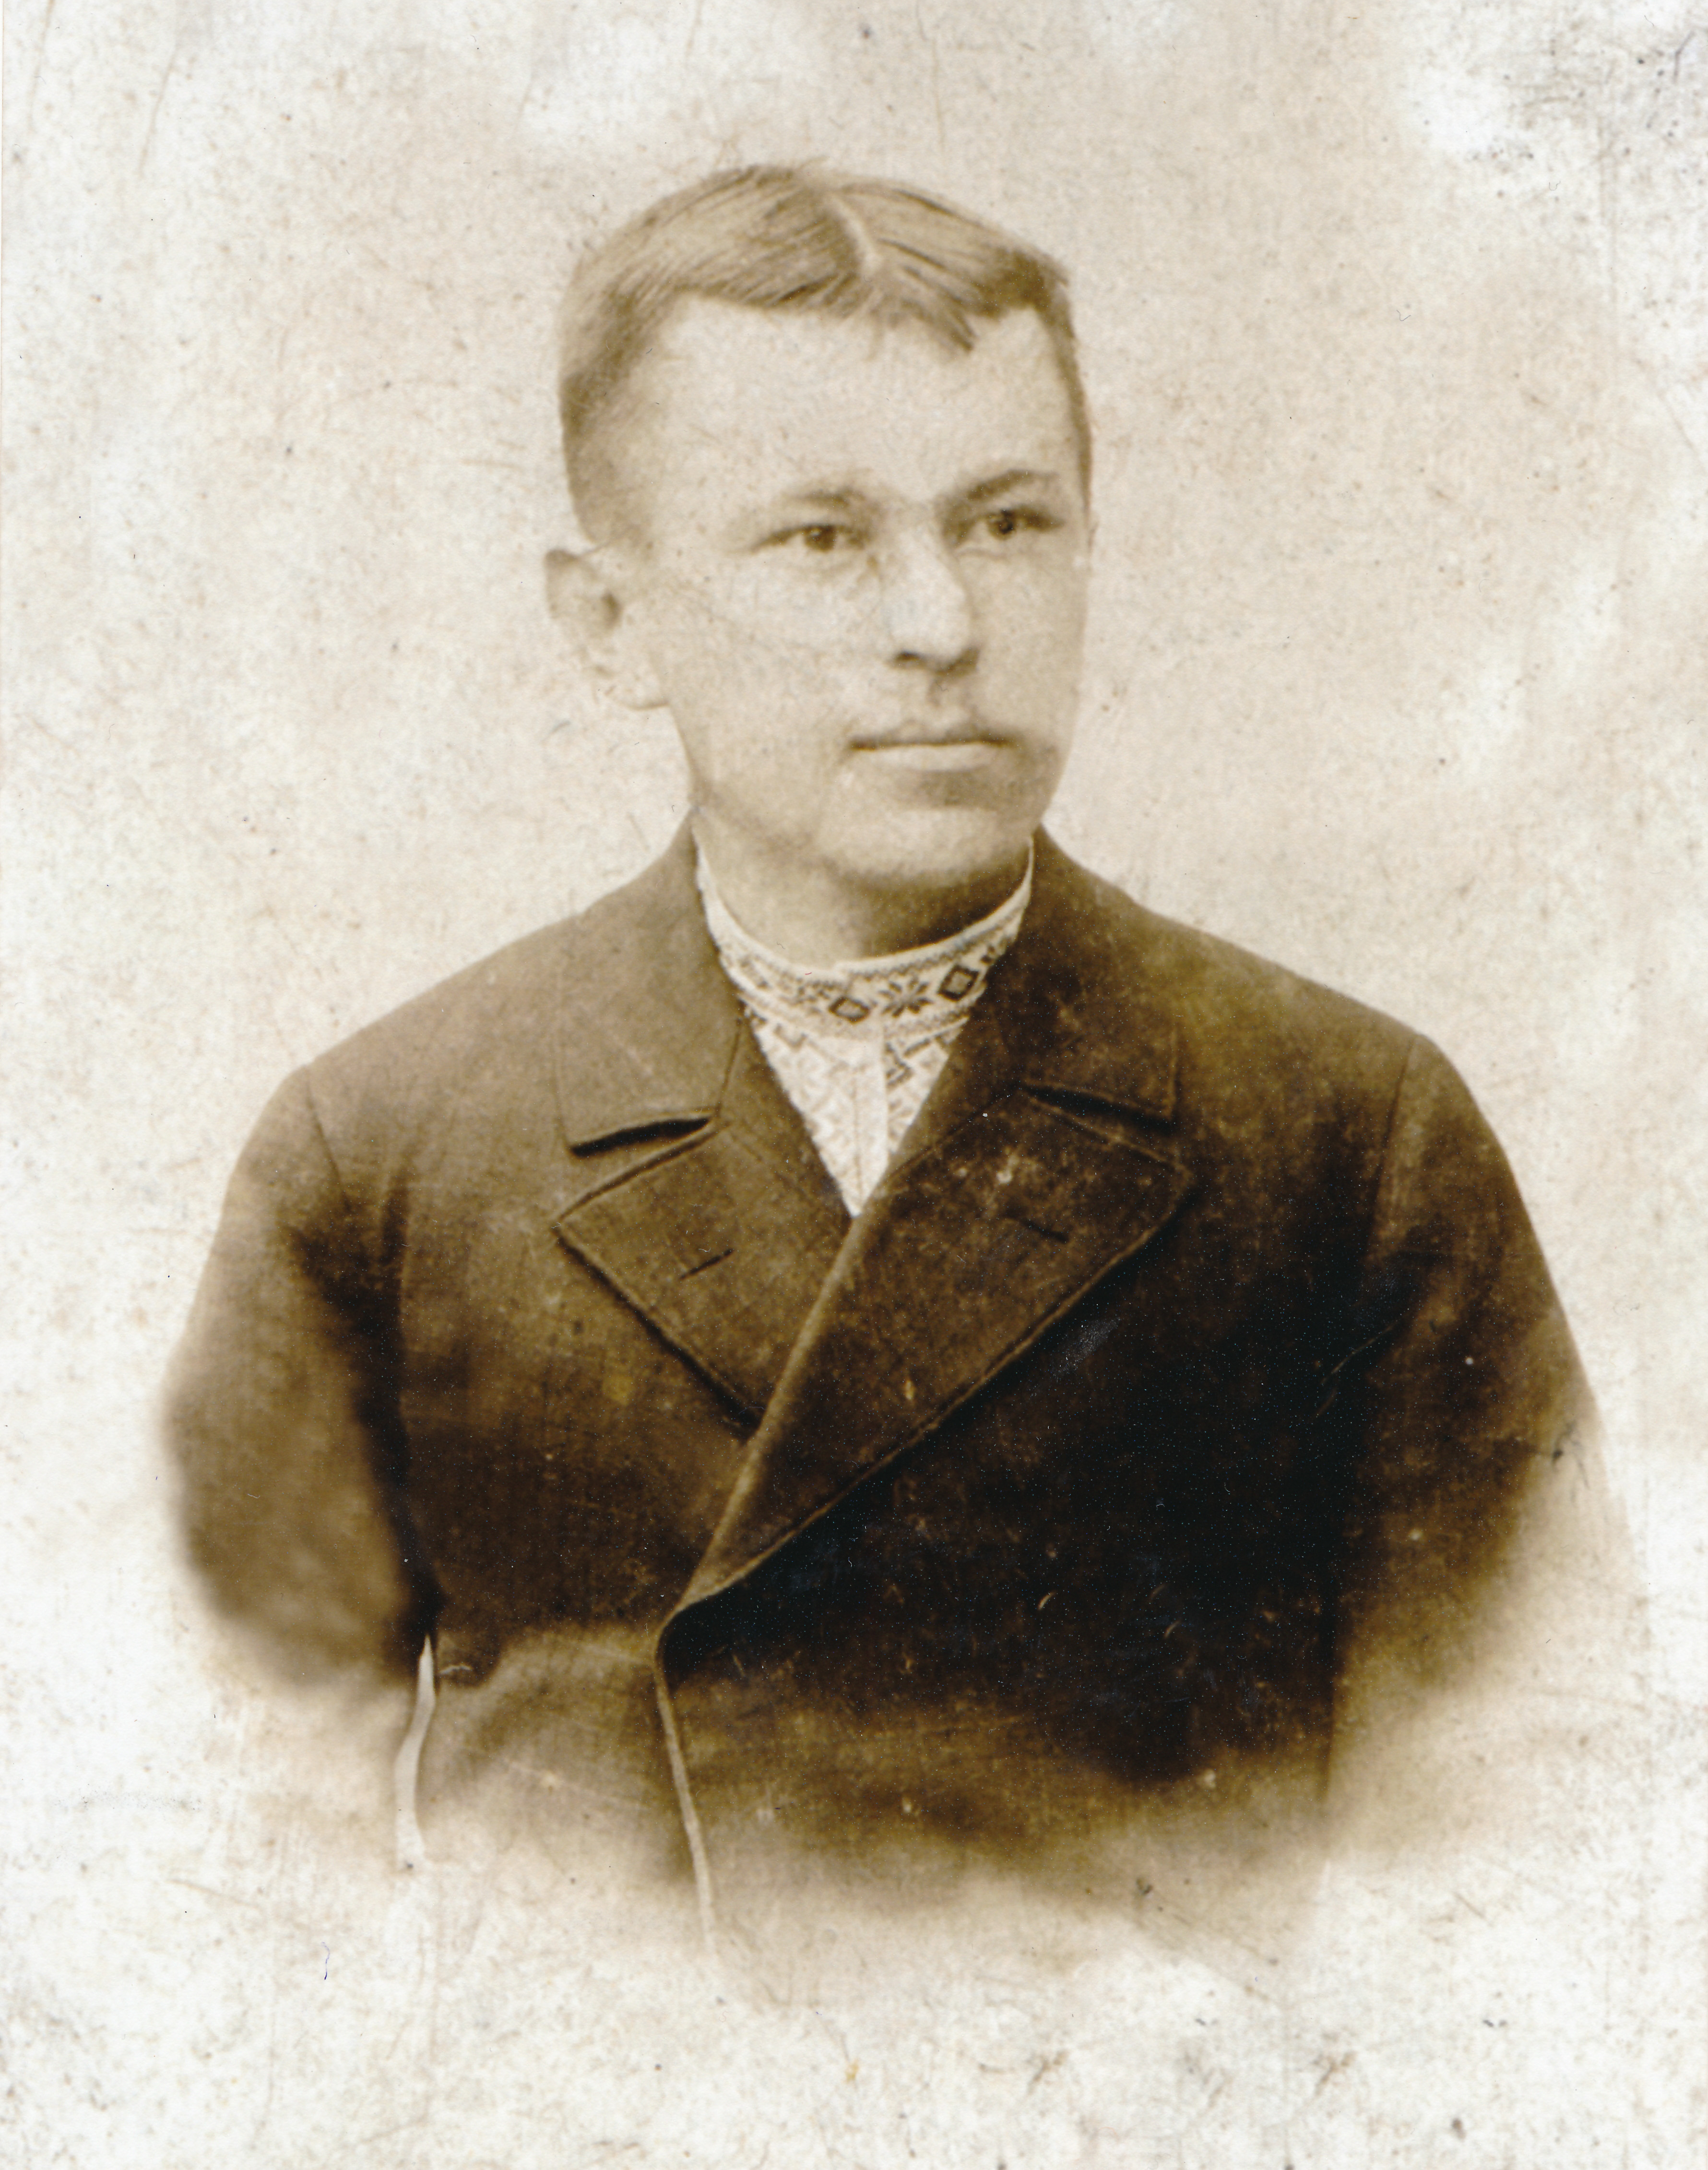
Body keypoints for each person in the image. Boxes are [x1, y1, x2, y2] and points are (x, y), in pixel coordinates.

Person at [166, 165, 1600, 1946]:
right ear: (610, 623)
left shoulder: (1344, 1133)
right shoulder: (385, 1153)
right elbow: (228, 1894)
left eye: (1007, 522)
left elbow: (1523, 1864)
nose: (941, 625)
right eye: (821, 539)